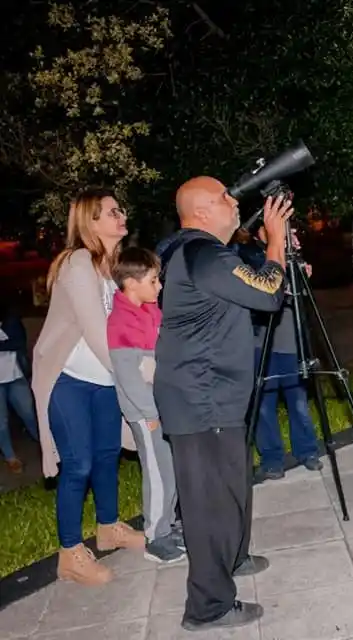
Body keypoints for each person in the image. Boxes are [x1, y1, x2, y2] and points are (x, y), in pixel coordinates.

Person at [155, 177, 291, 631]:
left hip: (213, 394)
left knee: (231, 485)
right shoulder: (202, 253)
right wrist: (275, 241)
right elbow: (269, 293)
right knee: (210, 501)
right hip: (201, 396)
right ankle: (208, 606)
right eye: (224, 198)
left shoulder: (200, 253)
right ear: (200, 213)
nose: (234, 202)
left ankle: (231, 557)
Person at [32, 188, 144, 586]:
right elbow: (99, 335)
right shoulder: (78, 263)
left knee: (107, 455)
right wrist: (140, 375)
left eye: (120, 209)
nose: (121, 215)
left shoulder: (115, 267)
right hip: (70, 380)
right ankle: (70, 553)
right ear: (90, 222)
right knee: (77, 463)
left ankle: (109, 527)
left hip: (103, 382)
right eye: (112, 211)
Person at [107, 247, 184, 564]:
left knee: (171, 470)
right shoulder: (120, 323)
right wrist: (150, 414)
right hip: (146, 414)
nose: (159, 287)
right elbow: (129, 378)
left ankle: (168, 523)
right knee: (157, 472)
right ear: (130, 282)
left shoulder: (151, 311)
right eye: (153, 281)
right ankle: (155, 536)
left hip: (162, 406)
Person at [233, 224, 322, 482]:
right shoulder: (248, 255)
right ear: (260, 230)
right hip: (261, 341)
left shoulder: (292, 253)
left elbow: (301, 294)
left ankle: (307, 451)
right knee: (263, 404)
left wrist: (301, 270)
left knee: (298, 402)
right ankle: (272, 458)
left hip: (291, 341)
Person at [0, 302, 39, 474]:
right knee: (1, 423)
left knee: (29, 414)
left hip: (15, 376)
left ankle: (47, 446)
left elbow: (17, 342)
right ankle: (10, 457)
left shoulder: (11, 320)